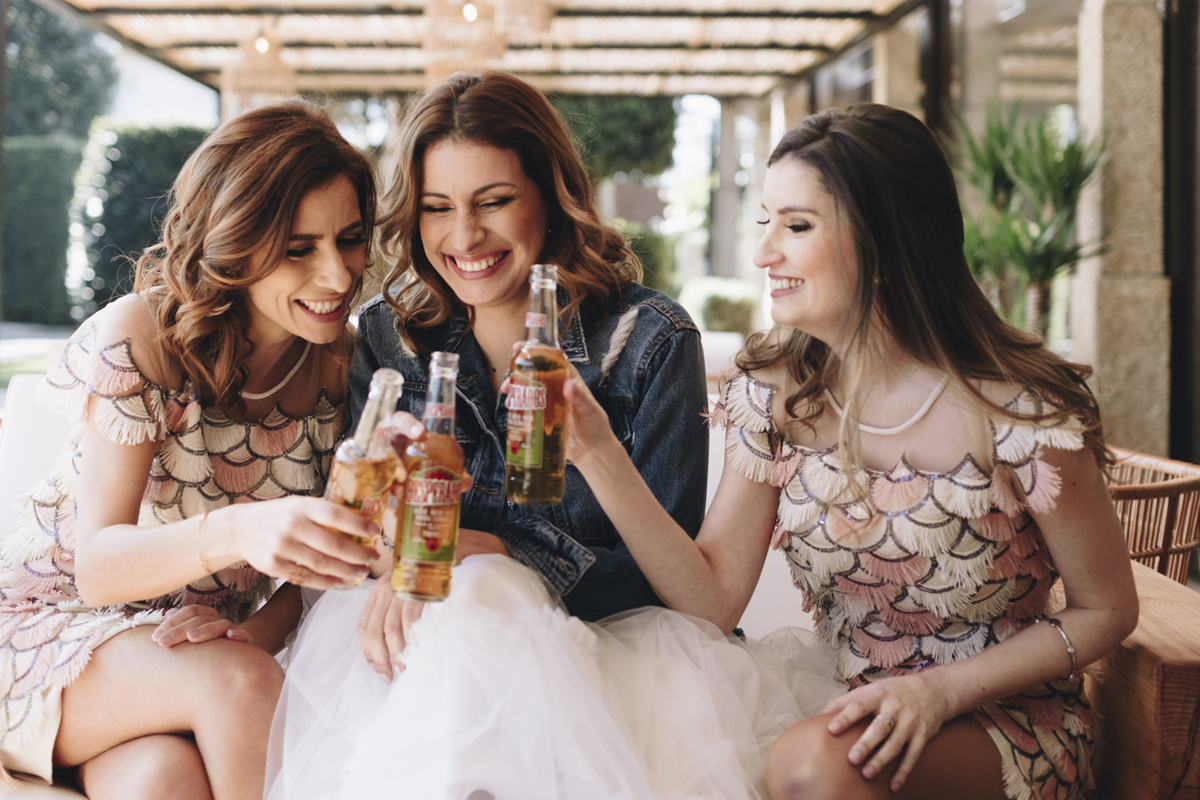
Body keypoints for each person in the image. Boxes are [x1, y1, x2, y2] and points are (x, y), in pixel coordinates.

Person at [266, 72, 844, 800]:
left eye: (494, 201)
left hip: (611, 651)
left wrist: (504, 551)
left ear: (550, 191)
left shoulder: (651, 341)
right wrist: (397, 541)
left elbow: (665, 581)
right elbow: (359, 528)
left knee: (480, 586)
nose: (464, 236)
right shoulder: (390, 335)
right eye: (437, 208)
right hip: (425, 645)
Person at [562, 103, 1138, 800]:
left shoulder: (1021, 413)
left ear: (889, 242)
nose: (763, 253)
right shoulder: (778, 394)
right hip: (846, 699)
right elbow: (710, 601)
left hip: (1009, 723)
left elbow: (1106, 608)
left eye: (796, 226)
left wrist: (938, 691)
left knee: (811, 767)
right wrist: (597, 454)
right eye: (764, 222)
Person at [0, 101, 380, 799]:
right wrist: (241, 531)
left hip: (180, 652)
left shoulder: (339, 363)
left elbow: (319, 567)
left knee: (161, 781)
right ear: (235, 242)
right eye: (299, 248)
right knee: (240, 685)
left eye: (350, 239)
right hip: (49, 629)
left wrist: (252, 634)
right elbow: (99, 569)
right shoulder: (142, 335)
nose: (337, 275)